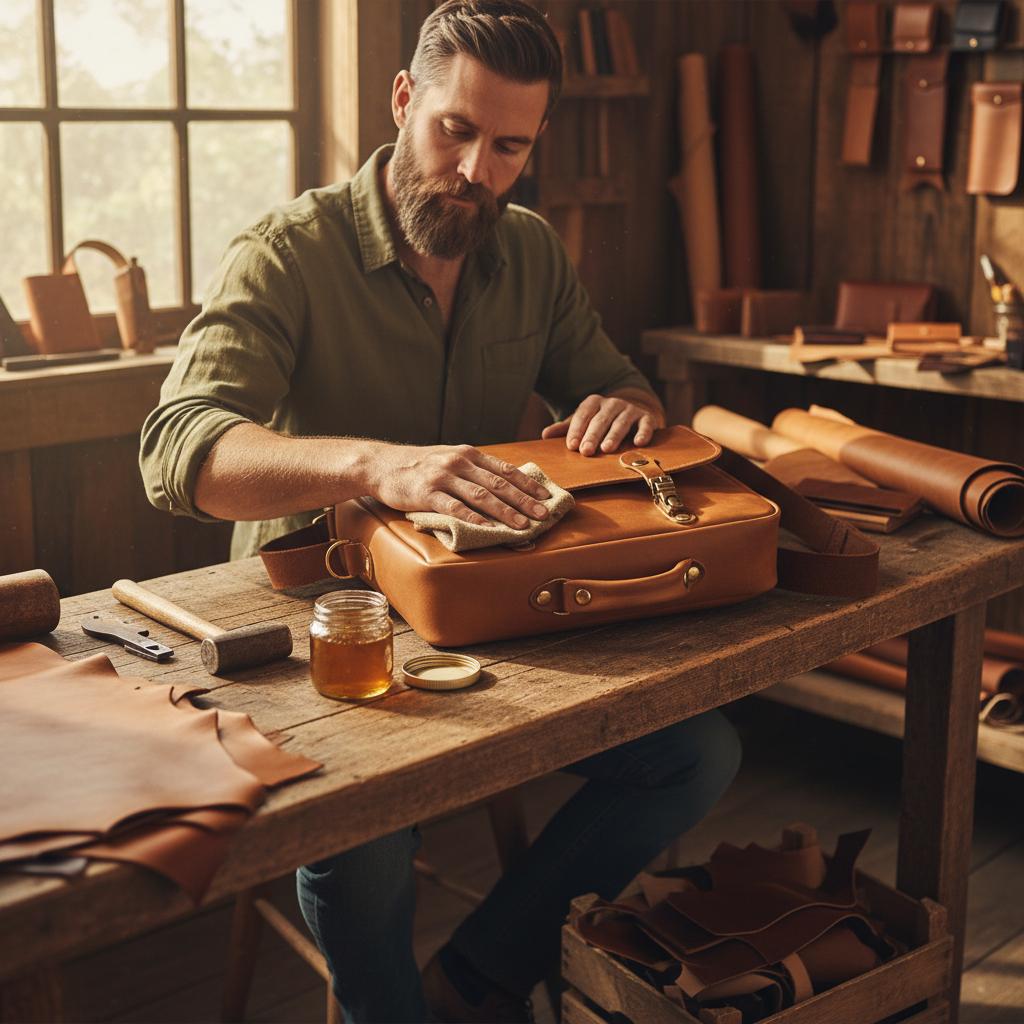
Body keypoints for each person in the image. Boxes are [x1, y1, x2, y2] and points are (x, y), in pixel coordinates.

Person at [140, 2, 741, 1021]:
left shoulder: (534, 252)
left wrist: (623, 405)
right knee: (368, 832)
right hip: (319, 633)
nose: (475, 170)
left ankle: (473, 978)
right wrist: (375, 465)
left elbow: (624, 386)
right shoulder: (289, 250)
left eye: (508, 146)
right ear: (404, 99)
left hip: (484, 610)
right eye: (454, 131)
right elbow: (176, 452)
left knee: (697, 754)